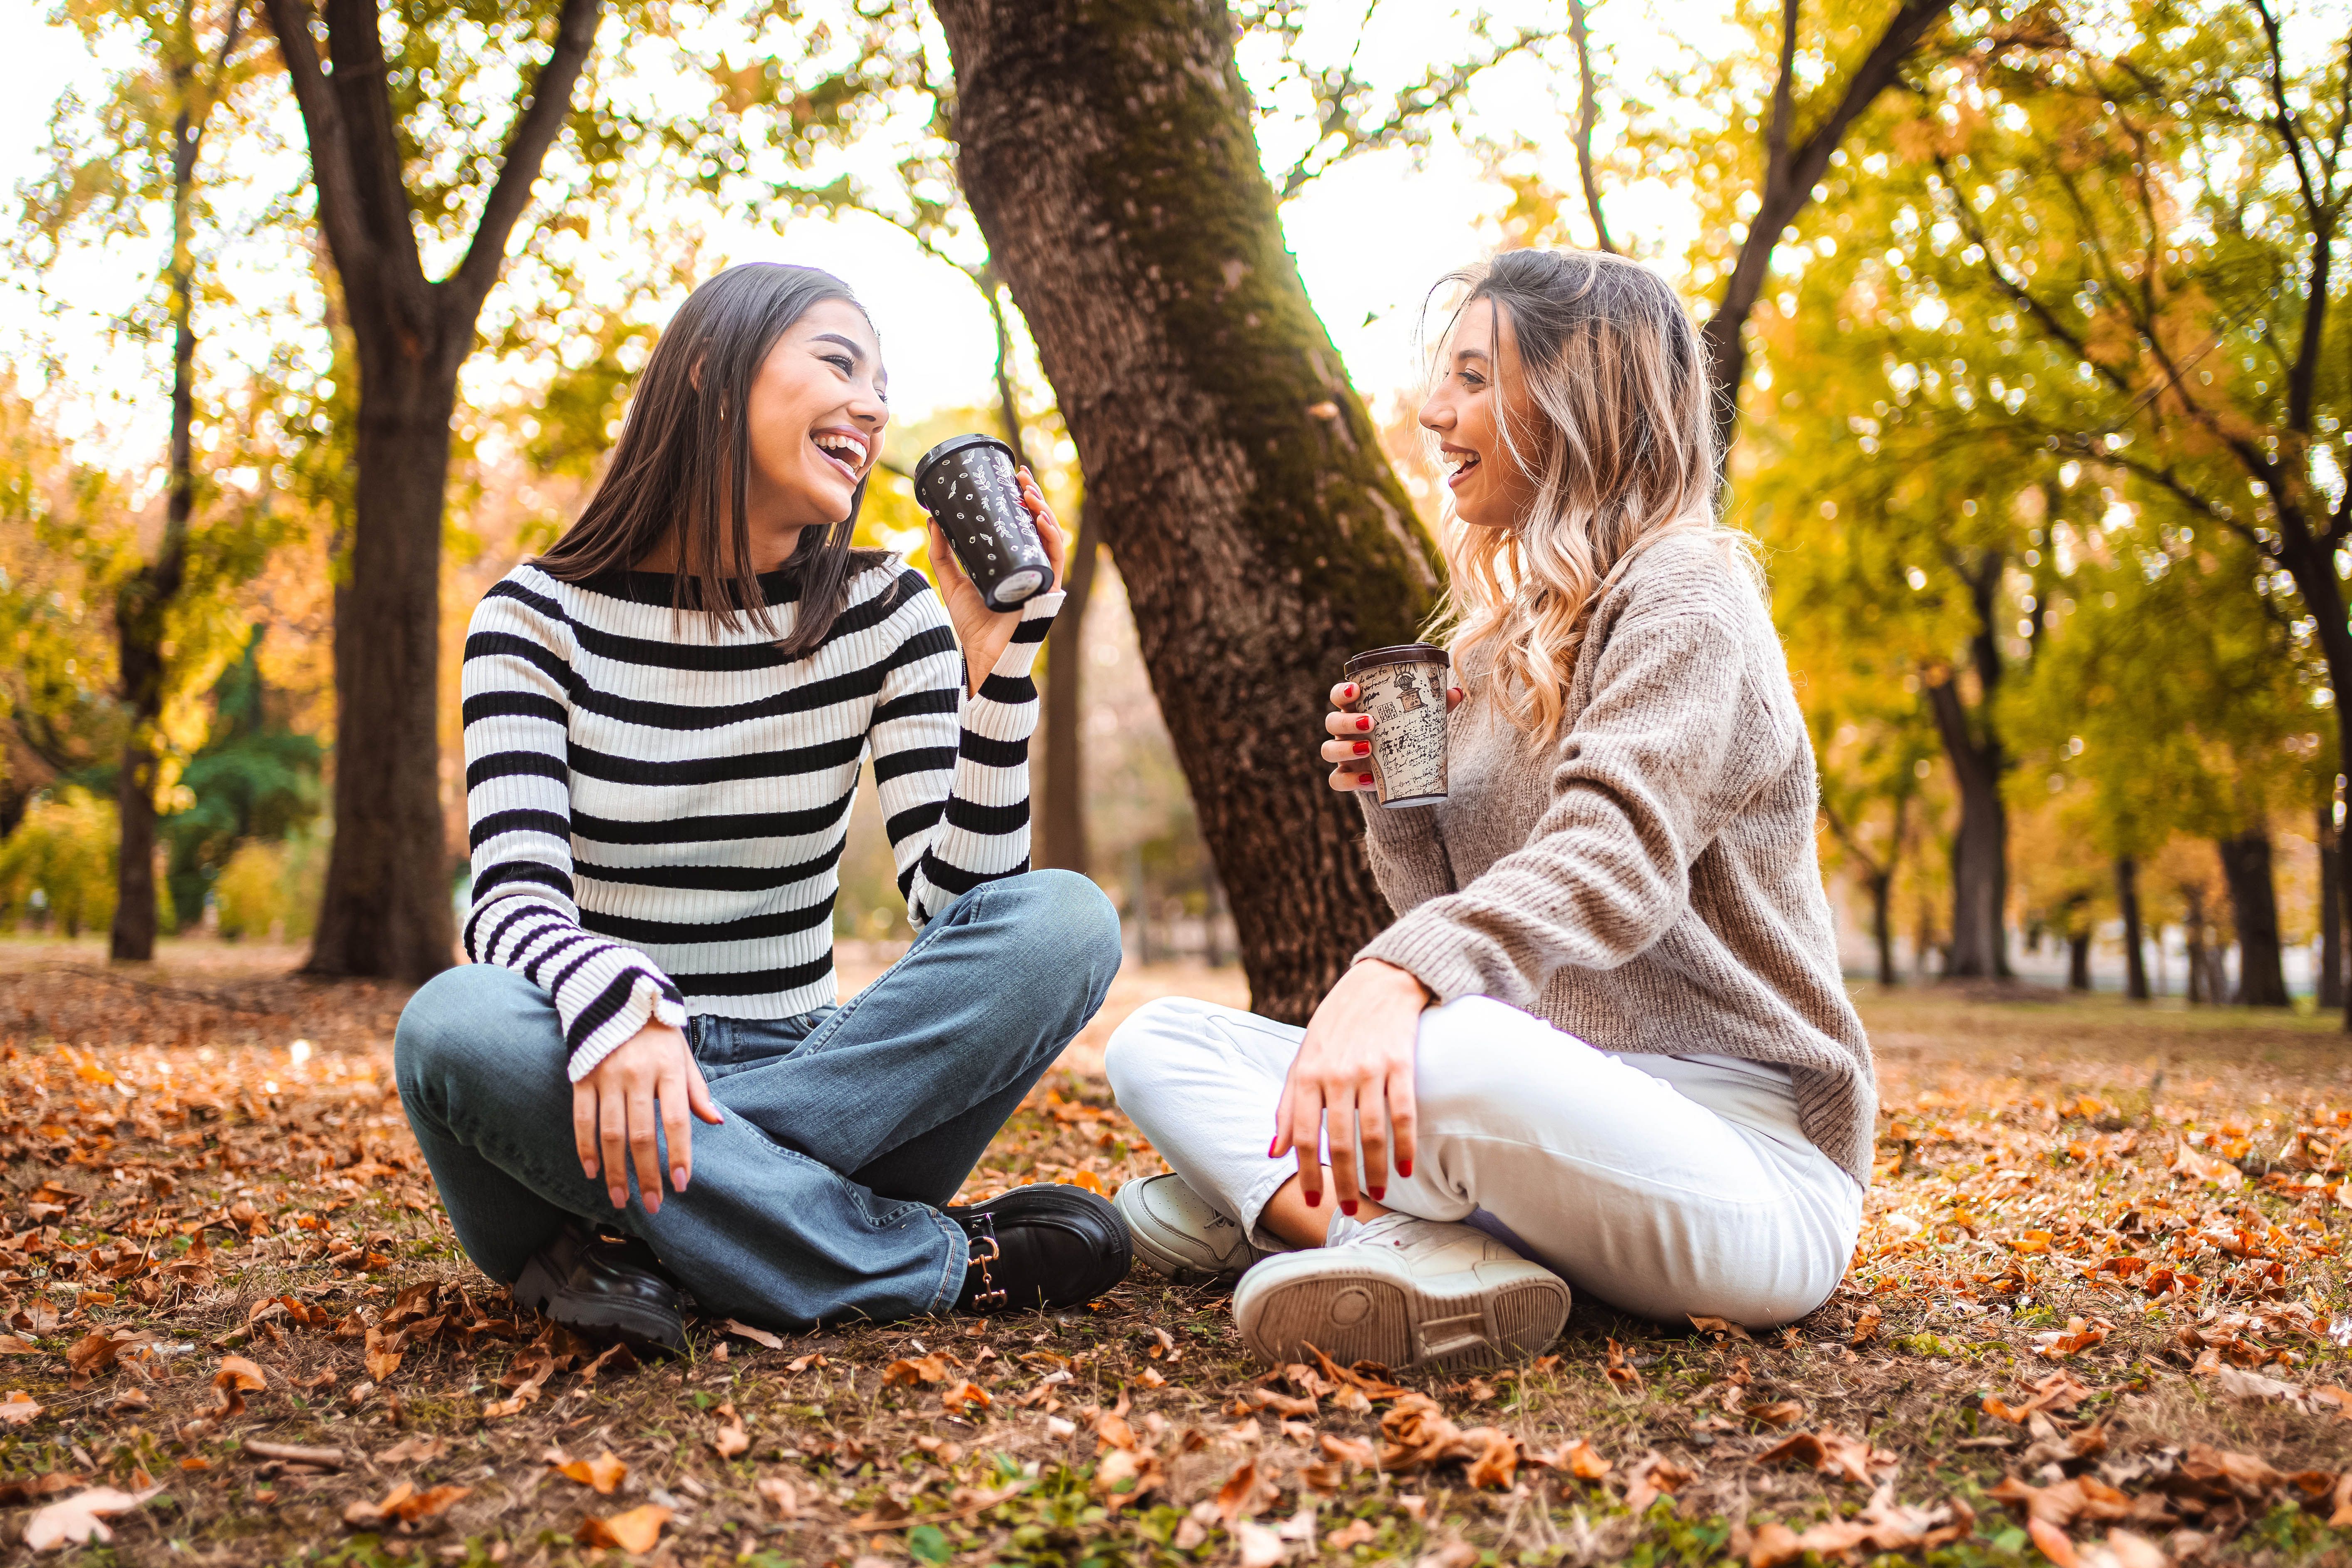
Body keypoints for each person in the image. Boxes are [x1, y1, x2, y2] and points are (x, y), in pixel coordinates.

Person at [1105, 249, 1874, 1371]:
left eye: (1472, 376)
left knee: (1453, 1043)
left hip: (1748, 1166)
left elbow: (1610, 865)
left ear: (1578, 398)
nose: (1432, 410)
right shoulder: (1495, 645)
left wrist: (1393, 974)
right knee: (1160, 1041)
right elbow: (1468, 925)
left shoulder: (1690, 595)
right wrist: (1400, 809)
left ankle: (1308, 1215)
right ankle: (1425, 1246)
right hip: (1549, 1118)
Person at [394, 263, 1130, 1354]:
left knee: (1065, 921)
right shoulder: (534, 620)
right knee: (454, 1026)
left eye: (883, 382)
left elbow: (962, 907)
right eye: (839, 362)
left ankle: (651, 1238)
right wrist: (624, 1007)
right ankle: (925, 1258)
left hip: (821, 1079)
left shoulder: (891, 613)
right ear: (710, 374)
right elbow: (509, 905)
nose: (875, 406)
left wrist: (1004, 669)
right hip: (594, 1072)